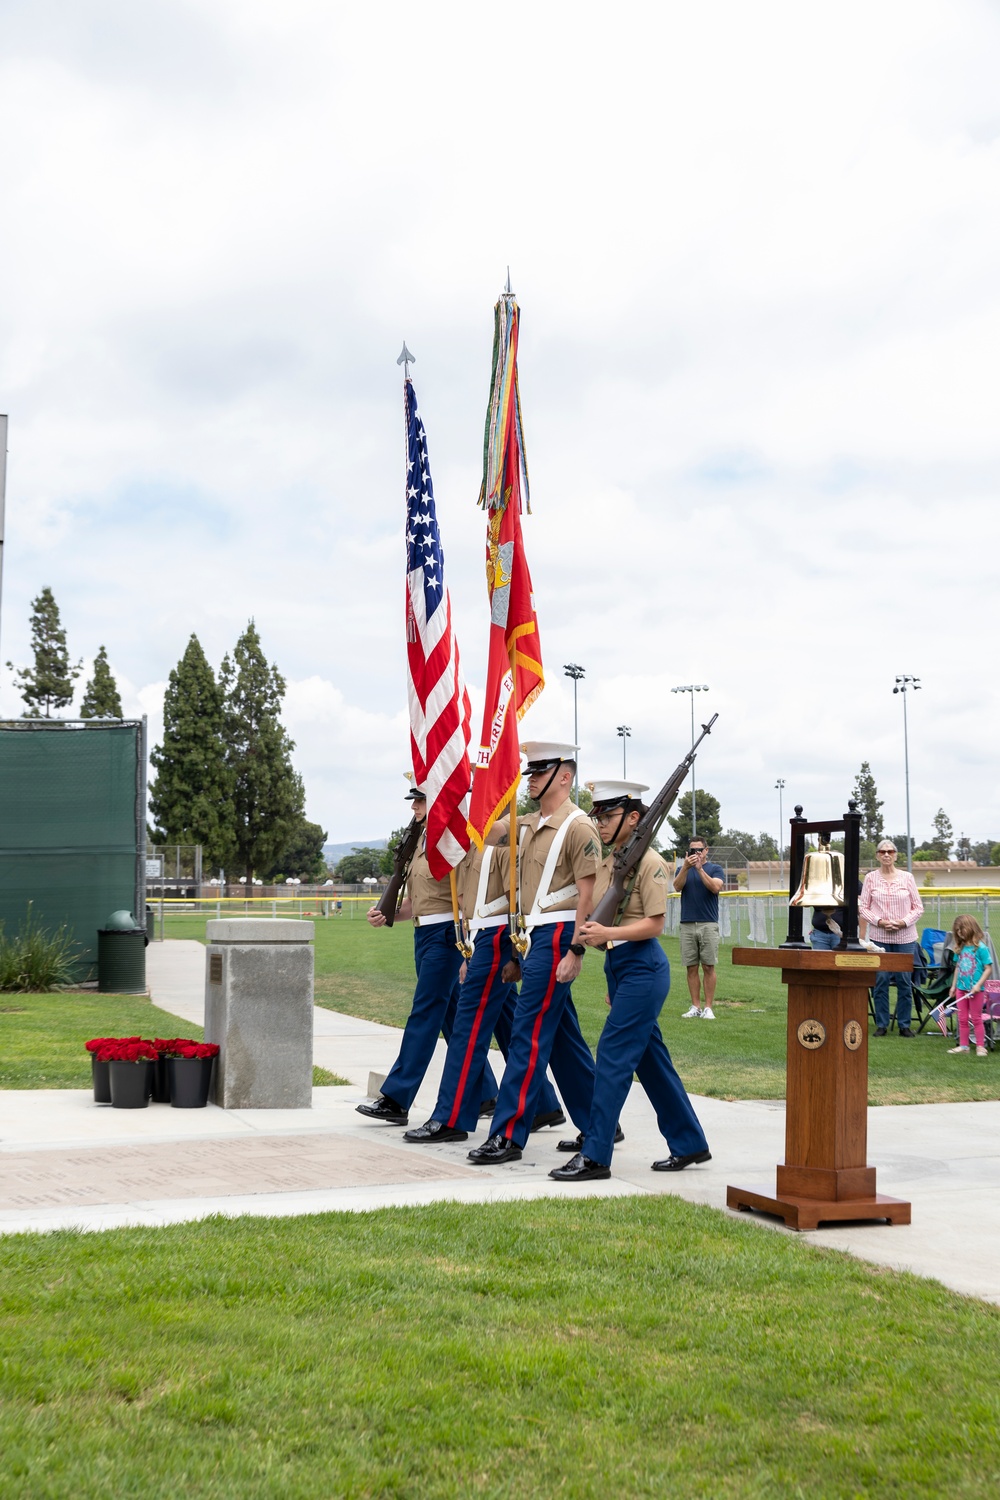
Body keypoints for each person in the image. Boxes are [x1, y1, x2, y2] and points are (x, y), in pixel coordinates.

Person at [549, 781, 710, 1183]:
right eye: (597, 815)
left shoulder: (651, 862)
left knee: (612, 1056)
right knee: (650, 1061)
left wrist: (608, 937)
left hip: (645, 967)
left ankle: (595, 1153)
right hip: (622, 970)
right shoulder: (610, 863)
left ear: (634, 818)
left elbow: (655, 925)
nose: (599, 823)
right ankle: (690, 1142)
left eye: (607, 815)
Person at [467, 743, 600, 1166]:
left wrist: (577, 949)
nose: (532, 778)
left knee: (527, 1031)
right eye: (528, 771)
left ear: (565, 776)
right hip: (529, 937)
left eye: (541, 770)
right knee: (561, 1036)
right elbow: (482, 833)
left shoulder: (579, 827)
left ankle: (508, 1134)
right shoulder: (523, 824)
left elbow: (588, 895)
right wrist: (480, 782)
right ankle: (600, 1123)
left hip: (560, 933)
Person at [402, 820, 564, 1143]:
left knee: (469, 1029)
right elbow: (466, 904)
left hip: (499, 940)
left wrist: (514, 956)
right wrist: (467, 952)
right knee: (514, 1028)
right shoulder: (470, 851)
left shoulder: (501, 852)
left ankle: (450, 1117)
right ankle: (547, 1105)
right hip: (480, 940)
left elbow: (515, 903)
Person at [357, 780, 499, 1126]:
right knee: (451, 1018)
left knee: (424, 1014)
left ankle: (396, 1097)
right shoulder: (422, 841)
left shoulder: (451, 842)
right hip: (426, 933)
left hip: (447, 936)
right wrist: (388, 914)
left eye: (419, 801)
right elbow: (421, 903)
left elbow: (464, 899)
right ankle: (486, 1093)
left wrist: (468, 949)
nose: (413, 807)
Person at [859, 839, 924, 1037]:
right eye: (882, 852)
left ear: (896, 855)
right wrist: (879, 921)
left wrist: (903, 922)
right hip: (879, 937)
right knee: (881, 980)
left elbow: (918, 907)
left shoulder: (907, 878)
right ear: (877, 855)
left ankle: (904, 1025)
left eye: (890, 851)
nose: (886, 855)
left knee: (905, 981)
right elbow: (863, 907)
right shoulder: (871, 878)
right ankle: (882, 1023)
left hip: (905, 938)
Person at [673, 836, 725, 1019]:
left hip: (708, 923)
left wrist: (700, 870)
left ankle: (708, 1008)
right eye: (692, 850)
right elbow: (677, 887)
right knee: (691, 967)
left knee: (708, 966)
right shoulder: (682, 869)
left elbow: (715, 887)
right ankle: (695, 1006)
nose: (696, 853)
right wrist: (687, 868)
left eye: (699, 850)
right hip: (687, 923)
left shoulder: (715, 869)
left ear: (706, 851)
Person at [946, 915, 993, 1057]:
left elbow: (988, 968)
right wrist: (954, 986)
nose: (959, 933)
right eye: (957, 931)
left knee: (976, 1018)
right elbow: (958, 968)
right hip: (961, 989)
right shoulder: (960, 948)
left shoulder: (981, 948)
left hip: (975, 990)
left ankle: (980, 1046)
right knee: (962, 1018)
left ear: (970, 928)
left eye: (962, 929)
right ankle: (964, 1045)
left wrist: (978, 985)